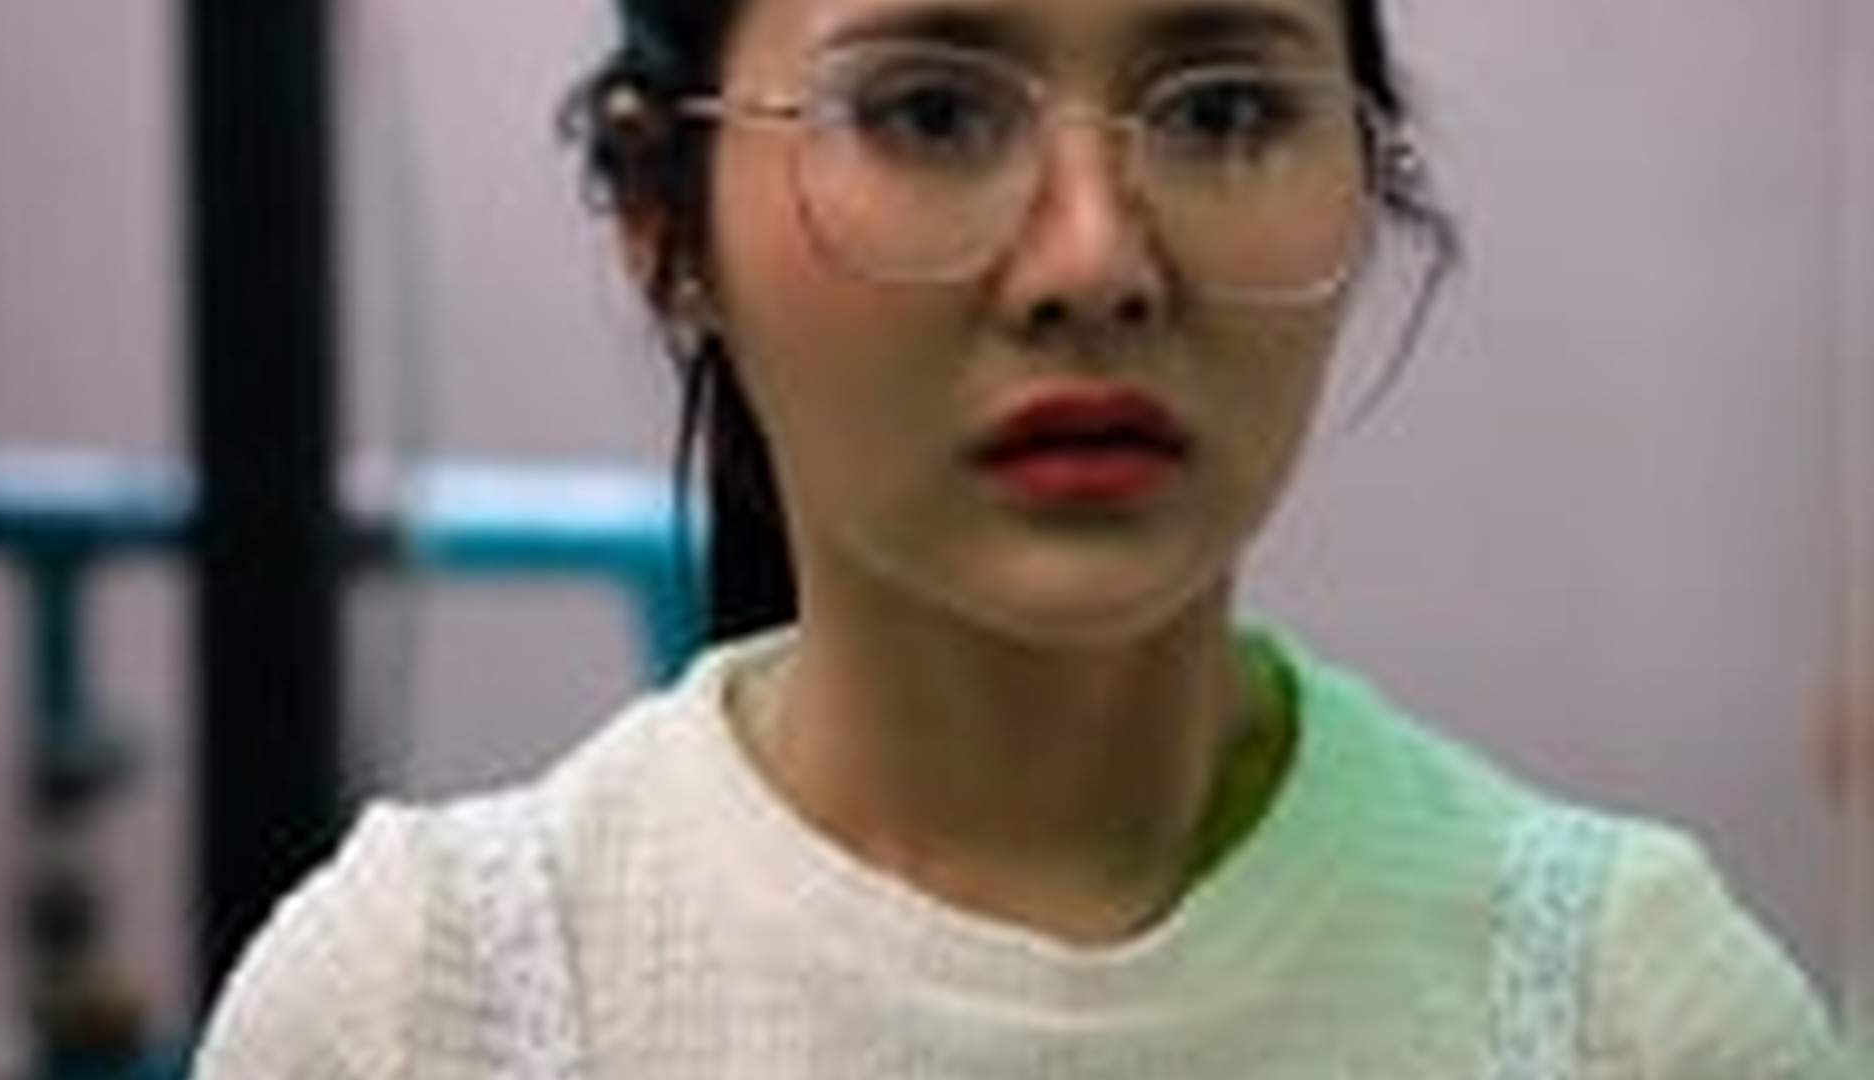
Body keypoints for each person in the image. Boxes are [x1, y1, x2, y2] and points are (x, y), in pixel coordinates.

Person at [193, 0, 1848, 1076]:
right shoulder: (420, 1010)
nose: (1094, 260)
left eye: (1224, 109)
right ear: (660, 216)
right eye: (929, 109)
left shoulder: (1627, 1013)